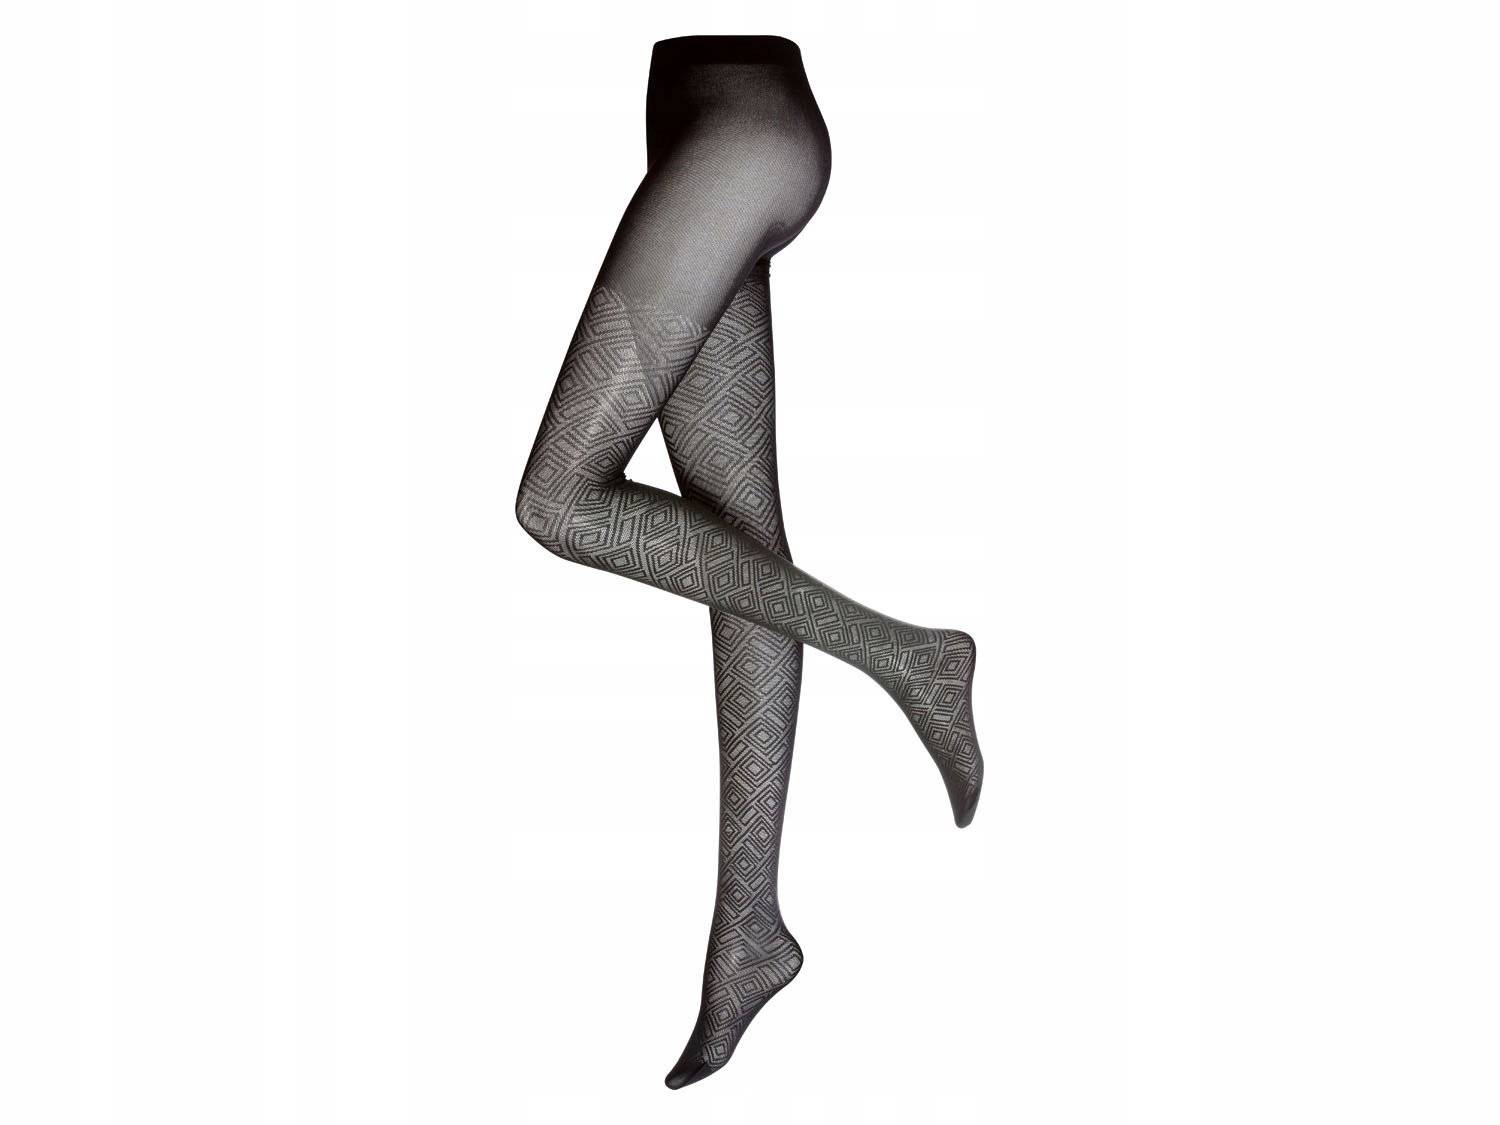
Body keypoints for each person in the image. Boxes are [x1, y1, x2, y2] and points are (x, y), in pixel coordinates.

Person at [514, 34, 985, 1089]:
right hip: (713, 133)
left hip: (737, 144)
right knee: (738, 548)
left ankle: (912, 658)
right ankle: (749, 932)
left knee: (559, 500)